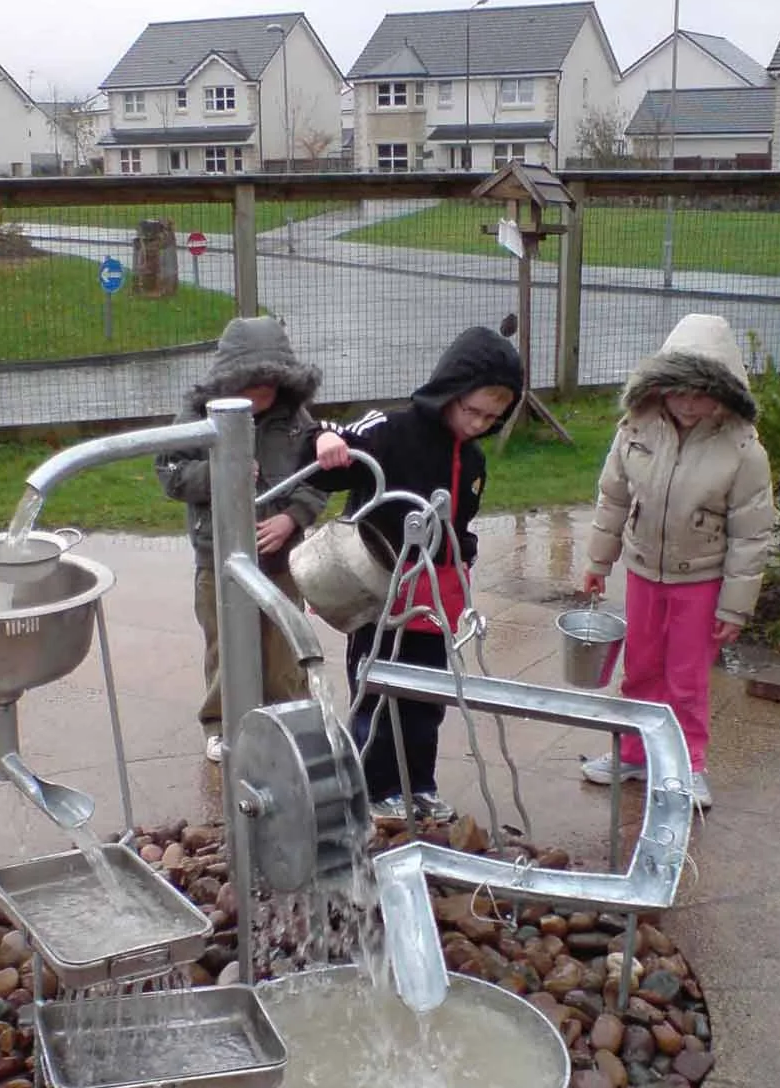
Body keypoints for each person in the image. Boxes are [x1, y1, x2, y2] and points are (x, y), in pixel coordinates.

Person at [304, 325, 524, 823]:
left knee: (427, 698)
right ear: (450, 390)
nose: (478, 424)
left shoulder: (472, 459)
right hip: (380, 592)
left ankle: (417, 783)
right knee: (379, 691)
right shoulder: (390, 430)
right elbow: (328, 456)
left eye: (492, 417)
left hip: (437, 597)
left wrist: (463, 554)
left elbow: (459, 522)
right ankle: (374, 784)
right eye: (472, 411)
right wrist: (324, 443)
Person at [579, 313, 774, 810]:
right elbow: (612, 499)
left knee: (687, 677)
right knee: (641, 667)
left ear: (725, 394)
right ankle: (636, 754)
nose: (688, 403)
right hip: (644, 572)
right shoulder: (635, 430)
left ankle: (689, 763)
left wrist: (734, 607)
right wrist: (599, 563)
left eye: (701, 392)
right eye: (677, 390)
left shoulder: (744, 451)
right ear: (659, 386)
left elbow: (751, 535)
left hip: (702, 580)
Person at [155, 317, 328, 763]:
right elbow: (170, 474)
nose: (261, 393)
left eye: (271, 383)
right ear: (229, 380)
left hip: (279, 558)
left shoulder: (296, 421)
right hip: (218, 557)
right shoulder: (197, 419)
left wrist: (292, 517)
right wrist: (219, 472)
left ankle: (288, 717)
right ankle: (220, 722)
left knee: (283, 645)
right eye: (251, 383)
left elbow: (319, 476)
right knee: (225, 643)